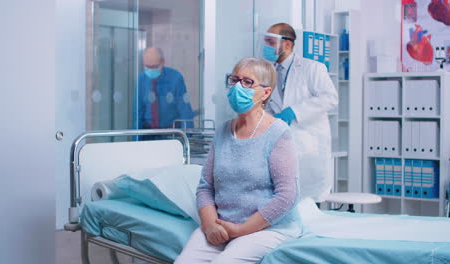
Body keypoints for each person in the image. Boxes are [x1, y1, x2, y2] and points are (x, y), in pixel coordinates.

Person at [175, 58, 303, 263]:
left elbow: (287, 196)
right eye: (234, 80)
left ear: (266, 92)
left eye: (247, 82)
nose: (237, 87)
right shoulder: (223, 132)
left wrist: (242, 230)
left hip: (267, 227)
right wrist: (209, 225)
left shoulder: (278, 133)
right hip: (222, 224)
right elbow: (205, 187)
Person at [263, 23, 338, 203]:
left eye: (271, 42)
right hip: (281, 142)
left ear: (287, 44)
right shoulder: (269, 72)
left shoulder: (312, 68)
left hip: (308, 144)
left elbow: (330, 98)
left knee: (308, 200)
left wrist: (294, 111)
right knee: (283, 196)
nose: (266, 46)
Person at [133, 47, 195, 130]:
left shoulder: (175, 78)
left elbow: (185, 111)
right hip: (148, 132)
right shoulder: (141, 79)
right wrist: (136, 140)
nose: (150, 70)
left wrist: (188, 137)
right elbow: (137, 113)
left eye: (154, 66)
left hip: (170, 132)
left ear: (162, 62)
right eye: (147, 67)